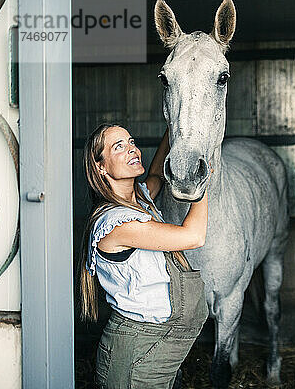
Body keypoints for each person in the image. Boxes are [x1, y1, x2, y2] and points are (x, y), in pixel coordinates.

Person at [78, 123, 209, 388]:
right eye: (119, 147)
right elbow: (193, 236)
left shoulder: (139, 198)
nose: (132, 149)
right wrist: (200, 183)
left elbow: (157, 176)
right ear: (100, 167)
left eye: (131, 141)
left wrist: (177, 126)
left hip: (157, 348)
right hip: (137, 355)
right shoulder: (117, 222)